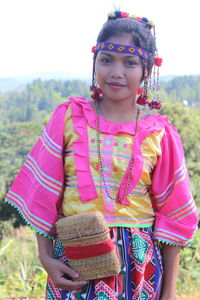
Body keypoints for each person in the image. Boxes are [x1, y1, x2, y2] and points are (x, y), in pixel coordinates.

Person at [5, 10, 198, 300]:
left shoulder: (160, 134)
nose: (116, 72)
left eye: (130, 63)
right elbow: (43, 197)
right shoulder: (68, 118)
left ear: (147, 70)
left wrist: (168, 293)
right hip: (73, 265)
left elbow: (173, 217)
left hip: (140, 269)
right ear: (94, 62)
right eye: (106, 60)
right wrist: (46, 259)